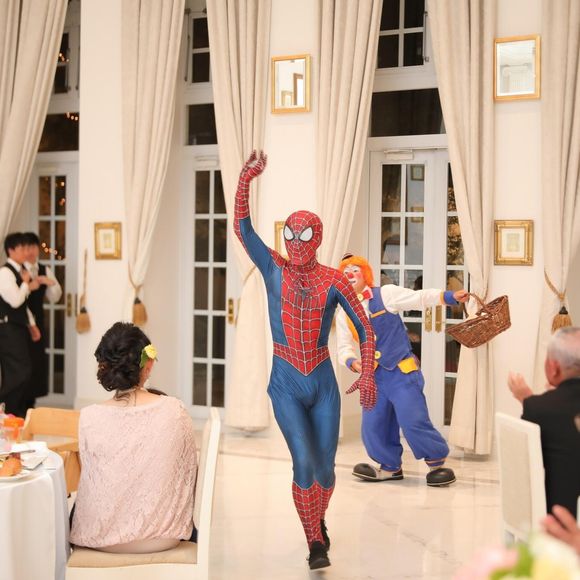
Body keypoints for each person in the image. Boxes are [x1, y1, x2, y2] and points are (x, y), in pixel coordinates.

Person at [234, 151, 376, 570]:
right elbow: (243, 229)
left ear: (319, 238)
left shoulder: (334, 280)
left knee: (326, 470)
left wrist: (369, 371)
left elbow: (365, 328)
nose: (296, 244)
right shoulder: (272, 268)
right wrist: (244, 181)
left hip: (322, 380)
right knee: (303, 462)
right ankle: (315, 540)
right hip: (285, 381)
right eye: (291, 235)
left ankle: (318, 519)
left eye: (305, 235)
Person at [336, 254, 469, 486]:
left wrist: (449, 296)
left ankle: (436, 463)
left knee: (412, 419)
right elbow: (343, 346)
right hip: (373, 376)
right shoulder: (343, 312)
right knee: (373, 424)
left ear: (365, 274)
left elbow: (418, 298)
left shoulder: (385, 294)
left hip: (401, 371)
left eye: (355, 270)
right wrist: (351, 361)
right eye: (345, 273)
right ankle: (389, 467)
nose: (350, 275)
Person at [70, 322, 198, 553]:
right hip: (164, 539)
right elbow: (189, 473)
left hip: (101, 542)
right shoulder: (175, 410)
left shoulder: (89, 417)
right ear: (148, 365)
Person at [508, 326, 580, 517]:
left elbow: (521, 473)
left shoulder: (540, 409)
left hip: (562, 522)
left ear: (553, 368)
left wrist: (528, 400)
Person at [0, 233, 41, 417]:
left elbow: (23, 305)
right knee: (17, 371)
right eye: (22, 248)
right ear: (11, 250)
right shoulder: (4, 273)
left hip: (18, 327)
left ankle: (14, 412)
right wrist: (25, 284)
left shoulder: (19, 271)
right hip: (7, 329)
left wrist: (31, 324)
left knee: (22, 370)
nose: (26, 252)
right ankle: (9, 411)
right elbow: (16, 300)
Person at [22, 232, 62, 409]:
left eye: (33, 247)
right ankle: (19, 406)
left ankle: (31, 404)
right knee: (21, 364)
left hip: (38, 323)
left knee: (37, 363)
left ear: (38, 249)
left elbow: (55, 297)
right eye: (26, 247)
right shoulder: (17, 270)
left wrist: (49, 282)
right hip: (19, 325)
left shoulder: (45, 269)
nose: (30, 251)